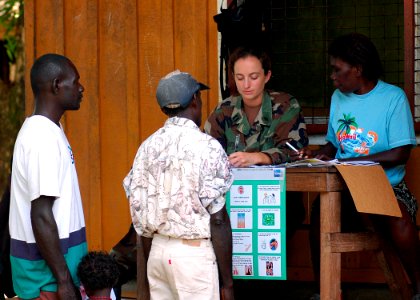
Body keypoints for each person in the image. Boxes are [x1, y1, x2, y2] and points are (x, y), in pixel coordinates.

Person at [301, 33, 420, 300]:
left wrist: (351, 161)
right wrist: (322, 154)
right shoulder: (338, 97)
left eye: (337, 69)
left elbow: (401, 153)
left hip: (387, 186)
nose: (333, 76)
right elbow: (333, 143)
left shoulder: (393, 98)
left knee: (399, 218)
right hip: (347, 187)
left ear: (358, 68)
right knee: (320, 213)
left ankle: (418, 286)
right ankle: (324, 290)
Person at [123, 70, 235, 300]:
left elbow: (140, 218)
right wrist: (227, 284)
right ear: (195, 99)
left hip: (157, 254)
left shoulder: (146, 148)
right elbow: (218, 218)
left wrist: (144, 276)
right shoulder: (207, 146)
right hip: (192, 259)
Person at [204, 46, 309, 240]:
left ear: (267, 76)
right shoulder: (224, 110)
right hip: (231, 196)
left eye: (253, 77)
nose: (246, 84)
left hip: (278, 197)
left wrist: (259, 157)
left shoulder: (285, 105)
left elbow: (296, 150)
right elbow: (205, 153)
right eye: (240, 77)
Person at [9, 53, 87, 300]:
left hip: (54, 278)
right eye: (75, 82)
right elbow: (41, 214)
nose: (80, 88)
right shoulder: (41, 137)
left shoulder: (51, 130)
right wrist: (63, 282)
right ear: (56, 85)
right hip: (47, 283)